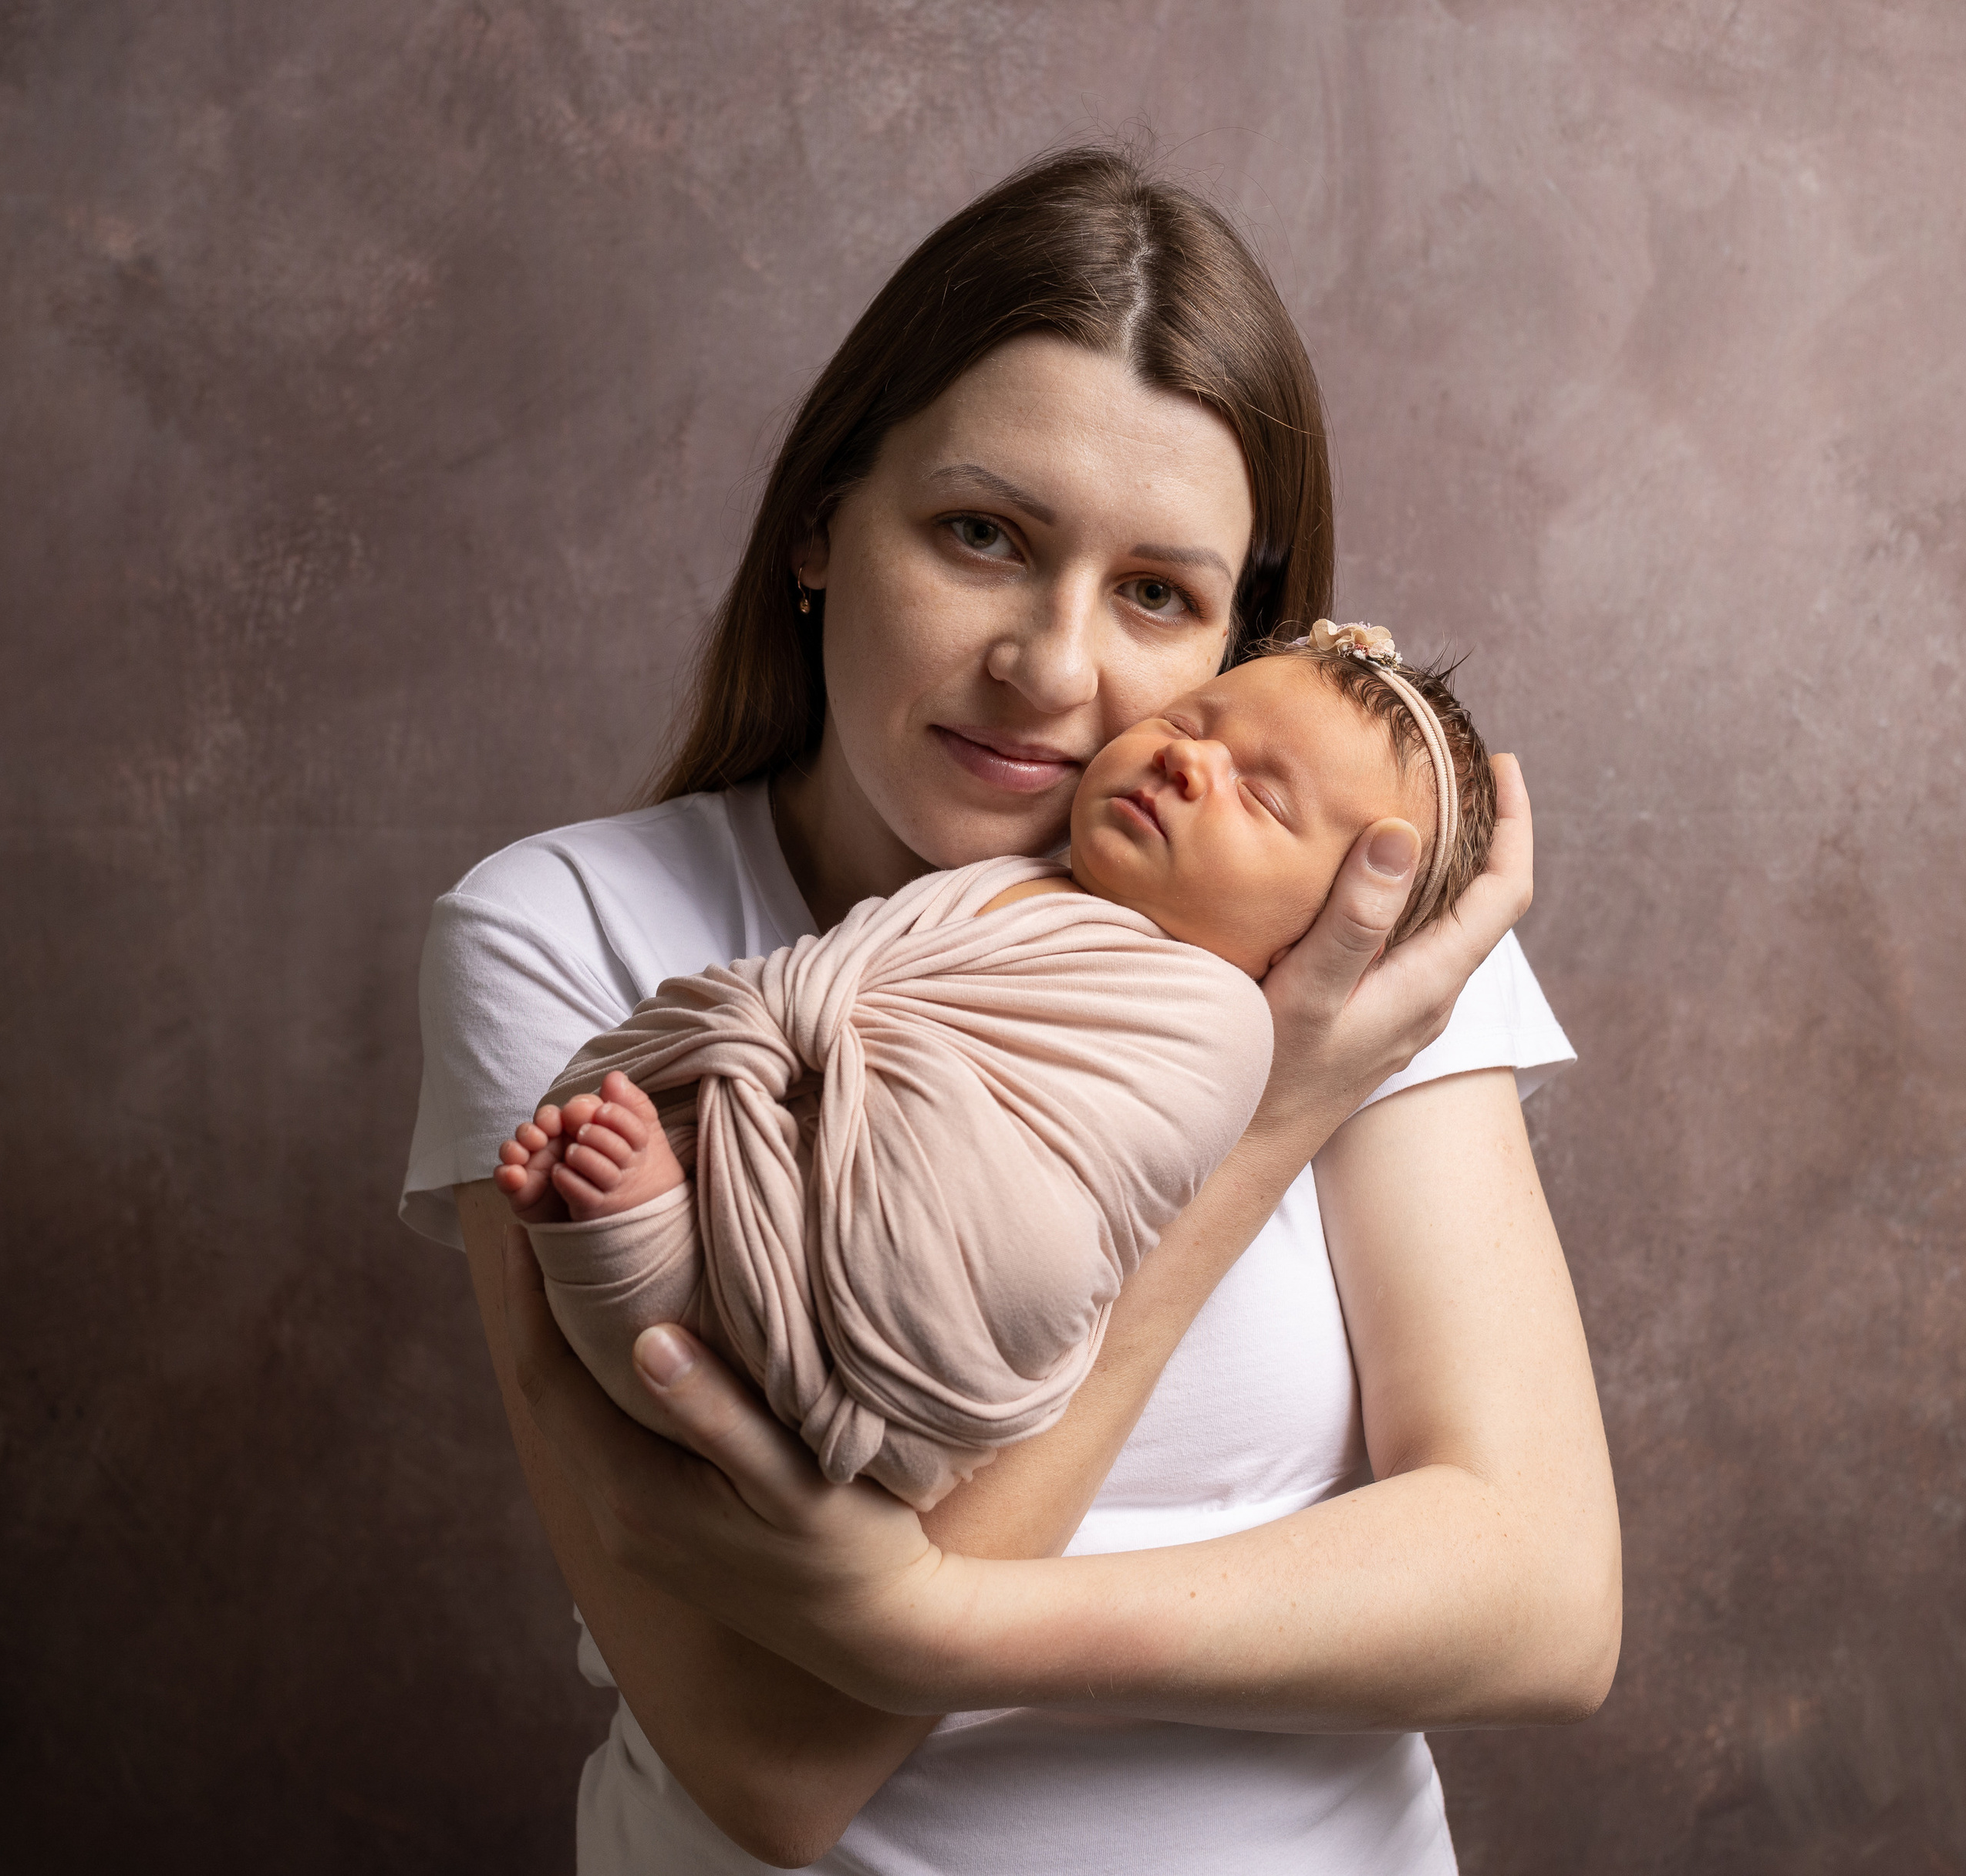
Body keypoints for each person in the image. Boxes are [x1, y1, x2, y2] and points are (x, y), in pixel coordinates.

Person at [402, 147, 1620, 1874]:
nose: (1051, 669)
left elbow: (1545, 1601)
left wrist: (920, 1621)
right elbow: (772, 1765)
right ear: (820, 521)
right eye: (981, 534)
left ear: (1238, 634)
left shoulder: (1349, 918)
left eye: (1156, 595)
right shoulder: (574, 930)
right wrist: (1272, 1112)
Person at [491, 629, 1496, 1517]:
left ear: (1332, 933)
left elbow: (1041, 1181)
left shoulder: (1221, 1022)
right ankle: (662, 1245)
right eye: (1194, 720)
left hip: (935, 1258)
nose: (1191, 762)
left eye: (1264, 798)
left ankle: (676, 1264)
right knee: (656, 1207)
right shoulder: (1016, 876)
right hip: (798, 1151)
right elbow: (876, 976)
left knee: (1002, 1254)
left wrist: (862, 1081)